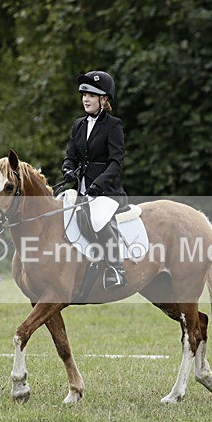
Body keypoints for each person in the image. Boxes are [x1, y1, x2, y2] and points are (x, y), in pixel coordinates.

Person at [61, 70, 128, 290]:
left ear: (104, 99)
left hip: (106, 192)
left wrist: (98, 185)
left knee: (98, 219)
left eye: (91, 95)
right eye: (84, 95)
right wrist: (68, 170)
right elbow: (70, 156)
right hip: (82, 191)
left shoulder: (113, 125)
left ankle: (116, 269)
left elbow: (116, 163)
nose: (86, 99)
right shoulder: (78, 125)